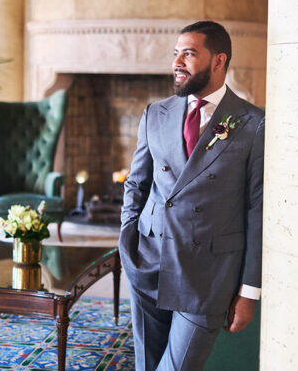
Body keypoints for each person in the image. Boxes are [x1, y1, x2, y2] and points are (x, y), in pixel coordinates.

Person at [119, 21, 264, 371]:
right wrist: (128, 240)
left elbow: (257, 211)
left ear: (218, 61)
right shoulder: (155, 114)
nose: (177, 62)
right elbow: (136, 184)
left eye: (189, 53)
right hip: (150, 260)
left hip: (208, 275)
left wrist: (249, 291)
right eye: (175, 53)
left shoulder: (253, 123)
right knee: (146, 364)